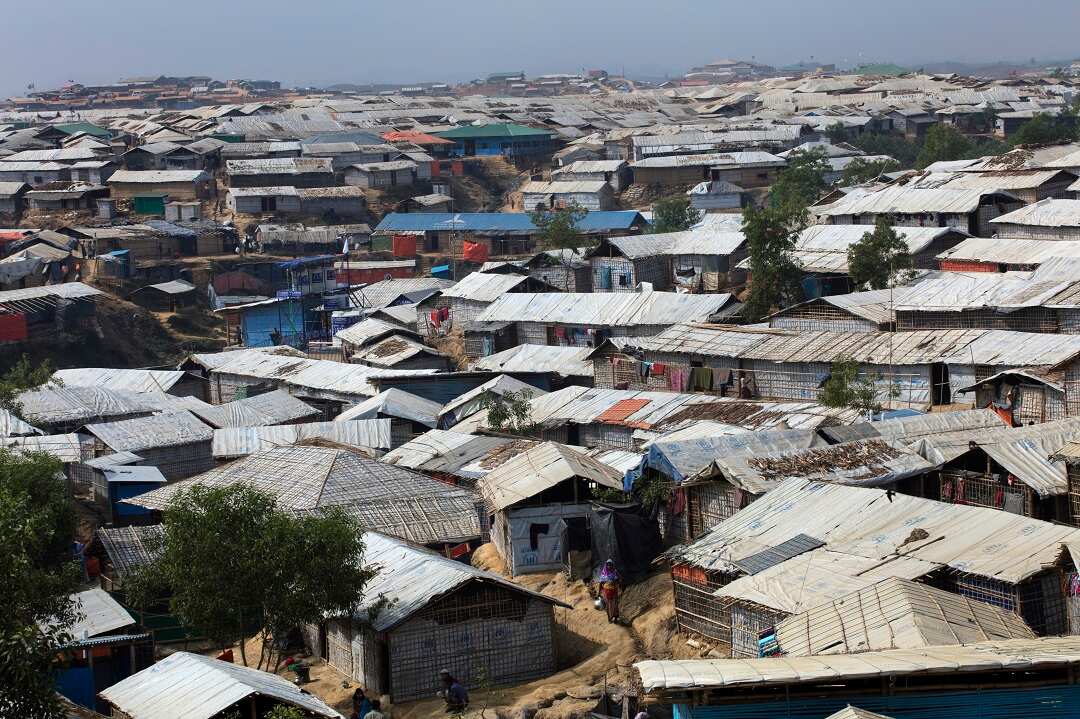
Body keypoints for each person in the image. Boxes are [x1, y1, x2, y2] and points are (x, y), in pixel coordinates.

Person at [599, 559, 621, 623]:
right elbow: (601, 583)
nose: (609, 566)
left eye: (610, 565)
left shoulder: (615, 572)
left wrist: (618, 582)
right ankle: (609, 618)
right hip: (607, 592)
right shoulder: (604, 573)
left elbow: (619, 579)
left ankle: (616, 618)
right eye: (608, 565)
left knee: (615, 605)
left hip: (614, 591)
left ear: (612, 565)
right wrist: (599, 592)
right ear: (606, 565)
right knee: (609, 605)